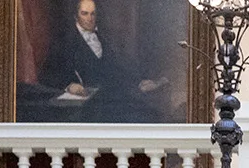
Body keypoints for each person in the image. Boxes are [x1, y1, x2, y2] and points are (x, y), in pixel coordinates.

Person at [38, 0, 168, 120]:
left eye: (93, 14)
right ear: (76, 16)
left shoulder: (102, 37)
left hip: (111, 98)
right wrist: (69, 86)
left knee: (151, 115)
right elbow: (46, 75)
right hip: (87, 106)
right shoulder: (64, 41)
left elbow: (115, 69)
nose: (89, 19)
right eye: (85, 14)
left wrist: (138, 82)